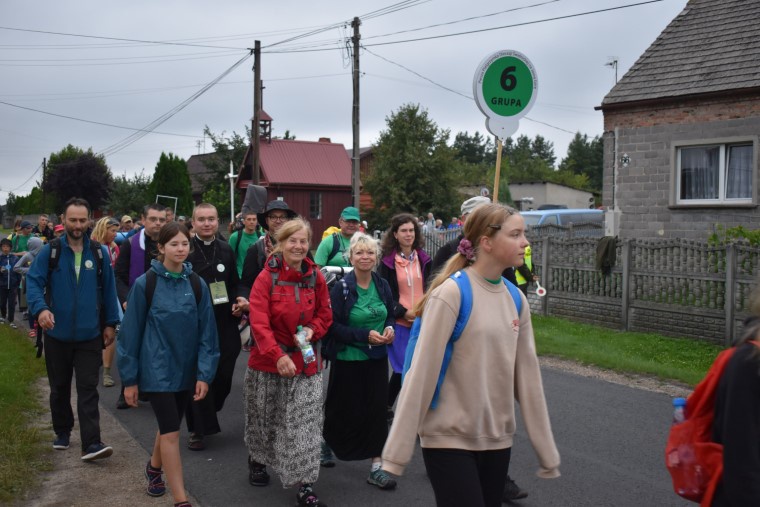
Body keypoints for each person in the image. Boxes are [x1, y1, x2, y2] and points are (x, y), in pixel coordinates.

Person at [381, 203, 561, 507]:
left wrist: (546, 449)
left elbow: (528, 381)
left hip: (498, 439)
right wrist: (397, 450)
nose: (525, 242)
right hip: (448, 438)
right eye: (515, 234)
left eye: (524, 234)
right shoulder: (451, 294)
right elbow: (421, 374)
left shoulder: (516, 299)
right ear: (487, 243)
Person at [429, 195, 527, 501]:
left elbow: (511, 295)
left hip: (492, 406)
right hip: (453, 411)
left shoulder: (505, 262)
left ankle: (499, 479)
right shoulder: (448, 256)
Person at [117, 221, 219, 507]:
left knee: (168, 425)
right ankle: (181, 499)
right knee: (173, 433)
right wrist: (130, 379)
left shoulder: (196, 284)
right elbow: (130, 335)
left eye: (185, 243)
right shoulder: (145, 284)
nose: (180, 249)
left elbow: (207, 334)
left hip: (186, 371)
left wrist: (204, 374)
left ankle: (153, 468)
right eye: (173, 244)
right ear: (160, 248)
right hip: (158, 371)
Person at [244, 218, 332, 506]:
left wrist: (311, 330)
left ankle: (305, 484)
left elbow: (325, 315)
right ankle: (257, 459)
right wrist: (277, 355)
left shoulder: (315, 276)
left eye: (303, 241)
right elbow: (258, 323)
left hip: (306, 359)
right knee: (266, 418)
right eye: (292, 240)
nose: (298, 246)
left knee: (306, 422)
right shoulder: (265, 278)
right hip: (269, 361)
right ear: (280, 244)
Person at [26, 197, 121, 461]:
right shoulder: (51, 251)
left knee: (89, 389)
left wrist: (110, 323)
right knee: (59, 388)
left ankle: (91, 443)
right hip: (57, 335)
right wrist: (41, 309)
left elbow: (110, 291)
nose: (77, 225)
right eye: (73, 220)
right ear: (63, 220)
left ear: (89, 220)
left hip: (90, 335)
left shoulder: (99, 253)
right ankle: (63, 431)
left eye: (82, 220)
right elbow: (33, 282)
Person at [323, 233, 397, 491]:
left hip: (376, 358)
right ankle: (327, 441)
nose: (365, 257)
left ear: (377, 257)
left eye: (370, 253)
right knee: (342, 408)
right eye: (359, 253)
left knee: (376, 411)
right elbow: (331, 326)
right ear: (350, 257)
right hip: (348, 357)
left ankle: (377, 467)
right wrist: (364, 335)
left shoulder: (383, 285)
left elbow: (390, 313)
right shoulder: (341, 288)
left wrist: (390, 329)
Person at [185, 203, 248, 451]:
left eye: (211, 219)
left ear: (217, 220)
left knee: (223, 375)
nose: (207, 223)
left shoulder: (225, 249)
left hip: (224, 319)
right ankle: (196, 430)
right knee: (198, 374)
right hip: (196, 323)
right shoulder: (186, 250)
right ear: (193, 223)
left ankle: (212, 405)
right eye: (201, 219)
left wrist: (239, 299)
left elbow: (235, 283)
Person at [377, 213, 432, 423]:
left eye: (412, 230)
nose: (409, 234)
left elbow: (431, 287)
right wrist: (402, 312)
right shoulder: (388, 262)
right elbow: (385, 294)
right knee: (403, 369)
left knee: (418, 369)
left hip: (422, 321)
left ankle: (405, 410)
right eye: (404, 231)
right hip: (400, 323)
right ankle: (388, 406)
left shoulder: (424, 259)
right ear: (395, 234)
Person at [114, 203, 167, 409]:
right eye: (153, 219)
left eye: (161, 220)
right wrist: (126, 298)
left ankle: (153, 390)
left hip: (162, 305)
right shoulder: (130, 244)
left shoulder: (169, 243)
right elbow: (118, 275)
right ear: (143, 220)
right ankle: (125, 389)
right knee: (132, 346)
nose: (157, 223)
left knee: (157, 349)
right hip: (135, 303)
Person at [238, 199, 299, 299]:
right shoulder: (256, 250)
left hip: (294, 304)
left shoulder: (298, 248)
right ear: (266, 220)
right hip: (265, 304)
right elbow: (246, 285)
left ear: (288, 220)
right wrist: (243, 298)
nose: (278, 220)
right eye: (273, 217)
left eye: (282, 217)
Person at [90, 217, 121, 388]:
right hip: (93, 296)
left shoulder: (115, 248)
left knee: (111, 328)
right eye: (113, 231)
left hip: (110, 293)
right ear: (104, 229)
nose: (115, 234)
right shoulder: (90, 247)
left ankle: (107, 373)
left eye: (117, 231)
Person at [13, 236, 44, 338]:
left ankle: (41, 326)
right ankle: (32, 328)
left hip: (43, 284)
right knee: (32, 306)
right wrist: (29, 270)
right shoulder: (27, 256)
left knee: (43, 305)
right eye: (40, 245)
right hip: (29, 284)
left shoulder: (44, 255)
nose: (42, 247)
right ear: (35, 246)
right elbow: (16, 268)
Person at [228, 210, 264, 278]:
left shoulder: (262, 236)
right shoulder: (235, 237)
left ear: (257, 221)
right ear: (244, 221)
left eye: (254, 219)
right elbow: (229, 257)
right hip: (240, 276)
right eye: (249, 219)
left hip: (258, 277)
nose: (252, 222)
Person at [0, 238, 20, 329]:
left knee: (12, 303)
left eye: (7, 247)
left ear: (10, 248)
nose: (5, 249)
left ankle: (11, 320)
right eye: (3, 247)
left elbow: (18, 271)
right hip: (2, 285)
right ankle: (3, 316)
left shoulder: (15, 258)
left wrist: (17, 283)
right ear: (1, 248)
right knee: (2, 303)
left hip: (13, 285)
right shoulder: (0, 258)